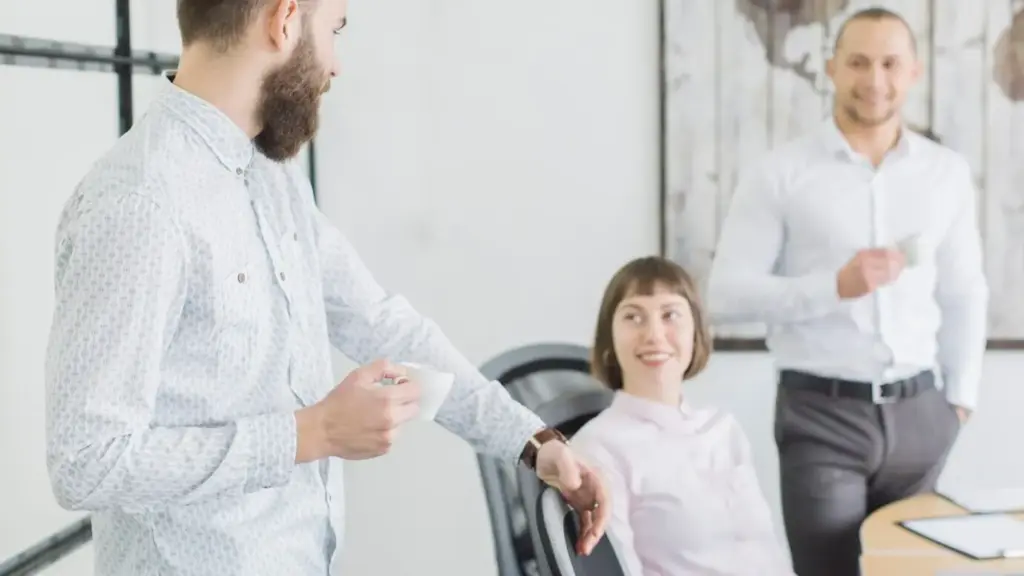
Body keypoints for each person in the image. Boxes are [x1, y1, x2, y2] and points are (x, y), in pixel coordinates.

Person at [42, 1, 608, 574]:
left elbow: (382, 324)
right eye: (334, 30)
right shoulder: (138, 202)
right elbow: (86, 461)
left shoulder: (270, 174)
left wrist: (533, 443)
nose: (336, 64)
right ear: (284, 19)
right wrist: (310, 433)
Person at [706, 7, 987, 576]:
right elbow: (725, 296)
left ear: (914, 72)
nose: (874, 79)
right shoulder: (779, 173)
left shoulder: (946, 173)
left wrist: (959, 400)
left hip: (922, 414)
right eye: (858, 62)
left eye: (890, 63)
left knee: (911, 573)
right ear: (831, 67)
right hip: (821, 418)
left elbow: (963, 291)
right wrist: (834, 286)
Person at [571, 257, 794, 576]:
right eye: (633, 316)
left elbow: (767, 553)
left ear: (696, 333)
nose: (654, 334)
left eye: (670, 315)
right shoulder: (597, 449)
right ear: (609, 339)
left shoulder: (723, 429)